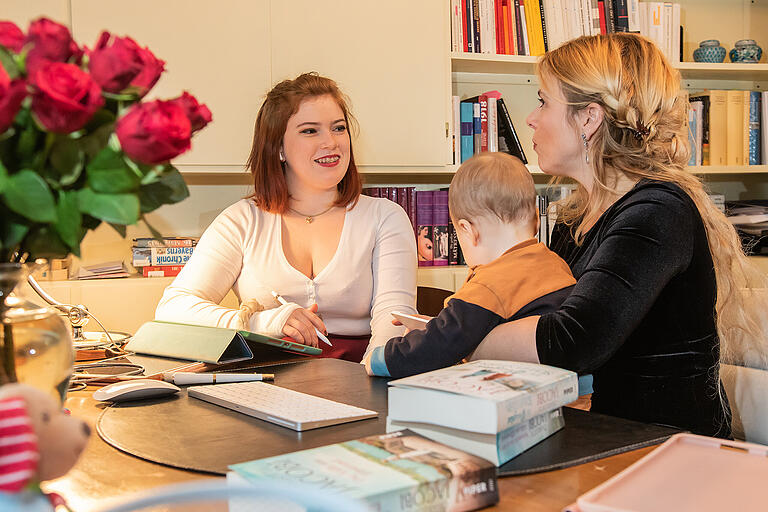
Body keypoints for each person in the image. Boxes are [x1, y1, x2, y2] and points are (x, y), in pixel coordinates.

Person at [471, 33, 768, 437]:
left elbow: (572, 340)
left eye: (543, 101)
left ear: (589, 119)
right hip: (597, 438)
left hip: (666, 454)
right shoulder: (574, 218)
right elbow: (540, 313)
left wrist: (464, 338)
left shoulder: (658, 211)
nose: (531, 118)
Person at [155, 73, 417, 362]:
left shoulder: (385, 217)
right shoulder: (242, 220)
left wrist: (370, 379)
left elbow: (392, 321)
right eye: (310, 131)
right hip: (265, 380)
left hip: (362, 373)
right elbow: (173, 307)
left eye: (338, 128)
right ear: (278, 147)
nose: (331, 142)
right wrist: (262, 322)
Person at [365, 152, 576, 378]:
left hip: (525, 394)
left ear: (468, 230)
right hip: (574, 396)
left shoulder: (490, 282)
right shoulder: (556, 264)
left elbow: (445, 341)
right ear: (536, 219)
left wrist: (382, 358)